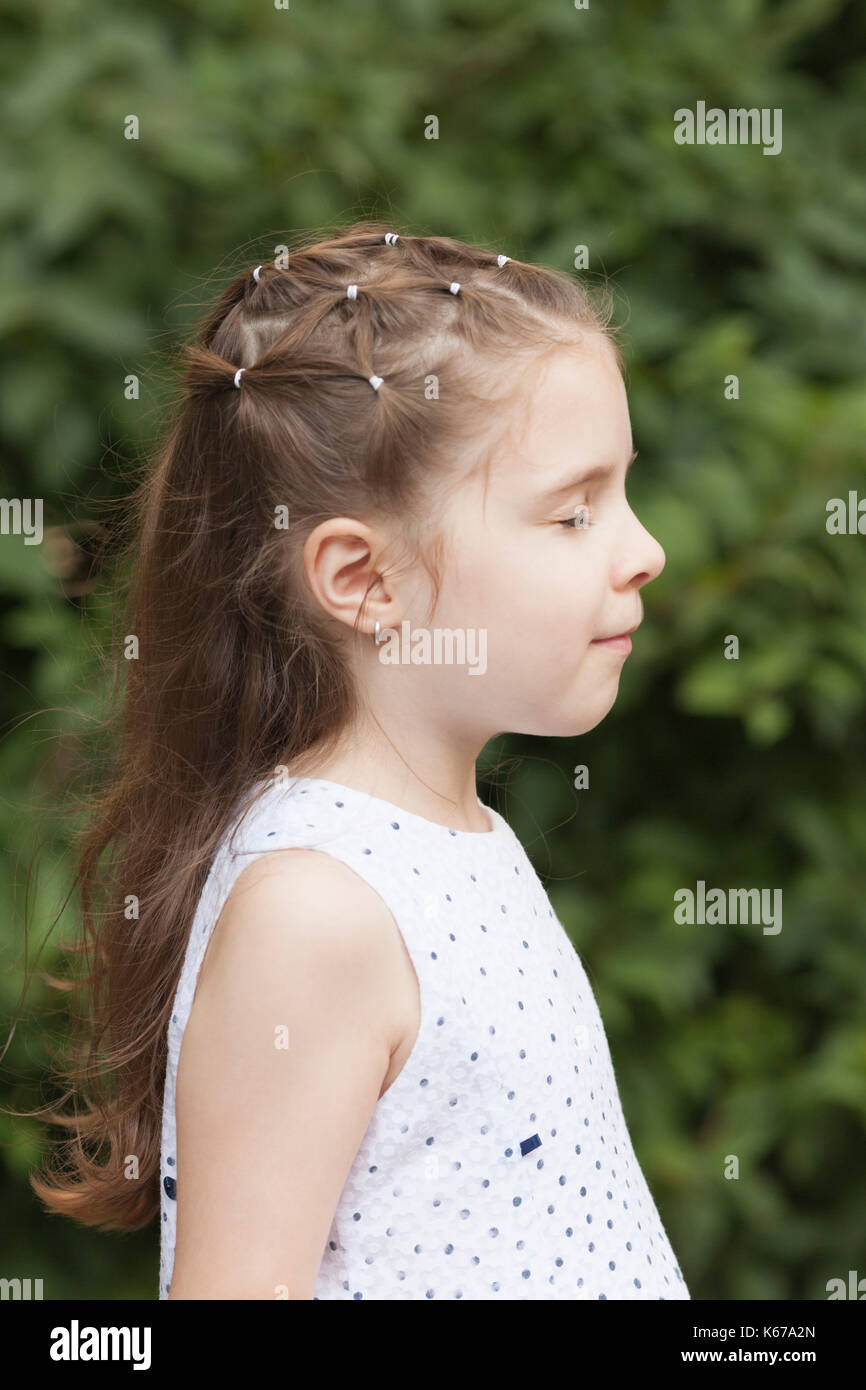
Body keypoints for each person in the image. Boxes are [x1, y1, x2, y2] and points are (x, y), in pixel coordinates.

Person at [29, 221, 688, 1301]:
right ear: (363, 579)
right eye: (572, 512)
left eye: (621, 491)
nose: (643, 549)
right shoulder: (317, 910)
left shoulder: (453, 838)